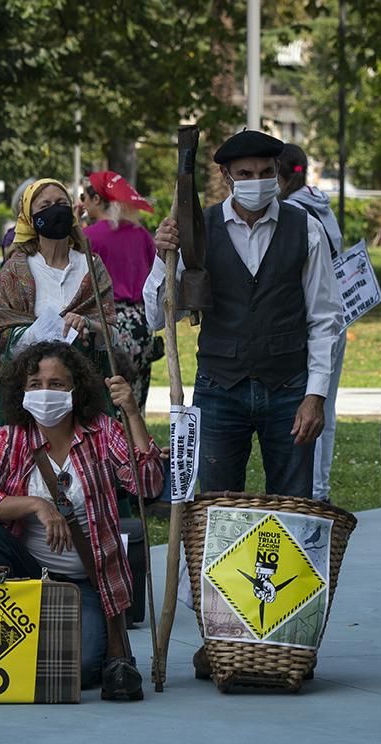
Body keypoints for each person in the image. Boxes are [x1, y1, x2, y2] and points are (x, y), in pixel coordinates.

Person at [0, 342, 163, 700]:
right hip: (24, 575)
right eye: (35, 384)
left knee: (82, 670)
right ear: (21, 392)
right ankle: (5, 625)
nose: (44, 393)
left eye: (56, 384)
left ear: (76, 389)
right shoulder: (11, 439)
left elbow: (147, 483)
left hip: (82, 582)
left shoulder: (102, 432)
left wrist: (131, 413)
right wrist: (36, 504)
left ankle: (46, 644)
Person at [145, 129, 342, 498]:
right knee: (219, 507)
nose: (258, 182)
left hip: (288, 387)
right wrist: (163, 259)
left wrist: (316, 395)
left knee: (290, 504)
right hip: (220, 386)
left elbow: (324, 318)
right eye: (246, 174)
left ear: (279, 172)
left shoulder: (306, 229)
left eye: (266, 172)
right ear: (226, 177)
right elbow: (158, 318)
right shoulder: (197, 230)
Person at [0, 177, 114, 465]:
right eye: (46, 206)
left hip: (82, 391)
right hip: (27, 390)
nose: (56, 211)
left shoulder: (92, 265)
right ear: (29, 216)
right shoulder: (16, 270)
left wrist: (87, 325)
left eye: (62, 204)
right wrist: (40, 332)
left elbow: (110, 330)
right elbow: (2, 335)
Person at [278, 143, 346, 503]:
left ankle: (312, 490)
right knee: (325, 407)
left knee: (308, 408)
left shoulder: (291, 213)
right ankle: (320, 487)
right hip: (338, 317)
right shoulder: (322, 204)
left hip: (311, 319)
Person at [82, 170, 159, 411]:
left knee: (108, 394)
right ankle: (138, 444)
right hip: (140, 321)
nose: (82, 202)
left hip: (108, 321)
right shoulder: (141, 234)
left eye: (85, 196)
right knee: (136, 396)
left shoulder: (89, 237)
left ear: (97, 200)